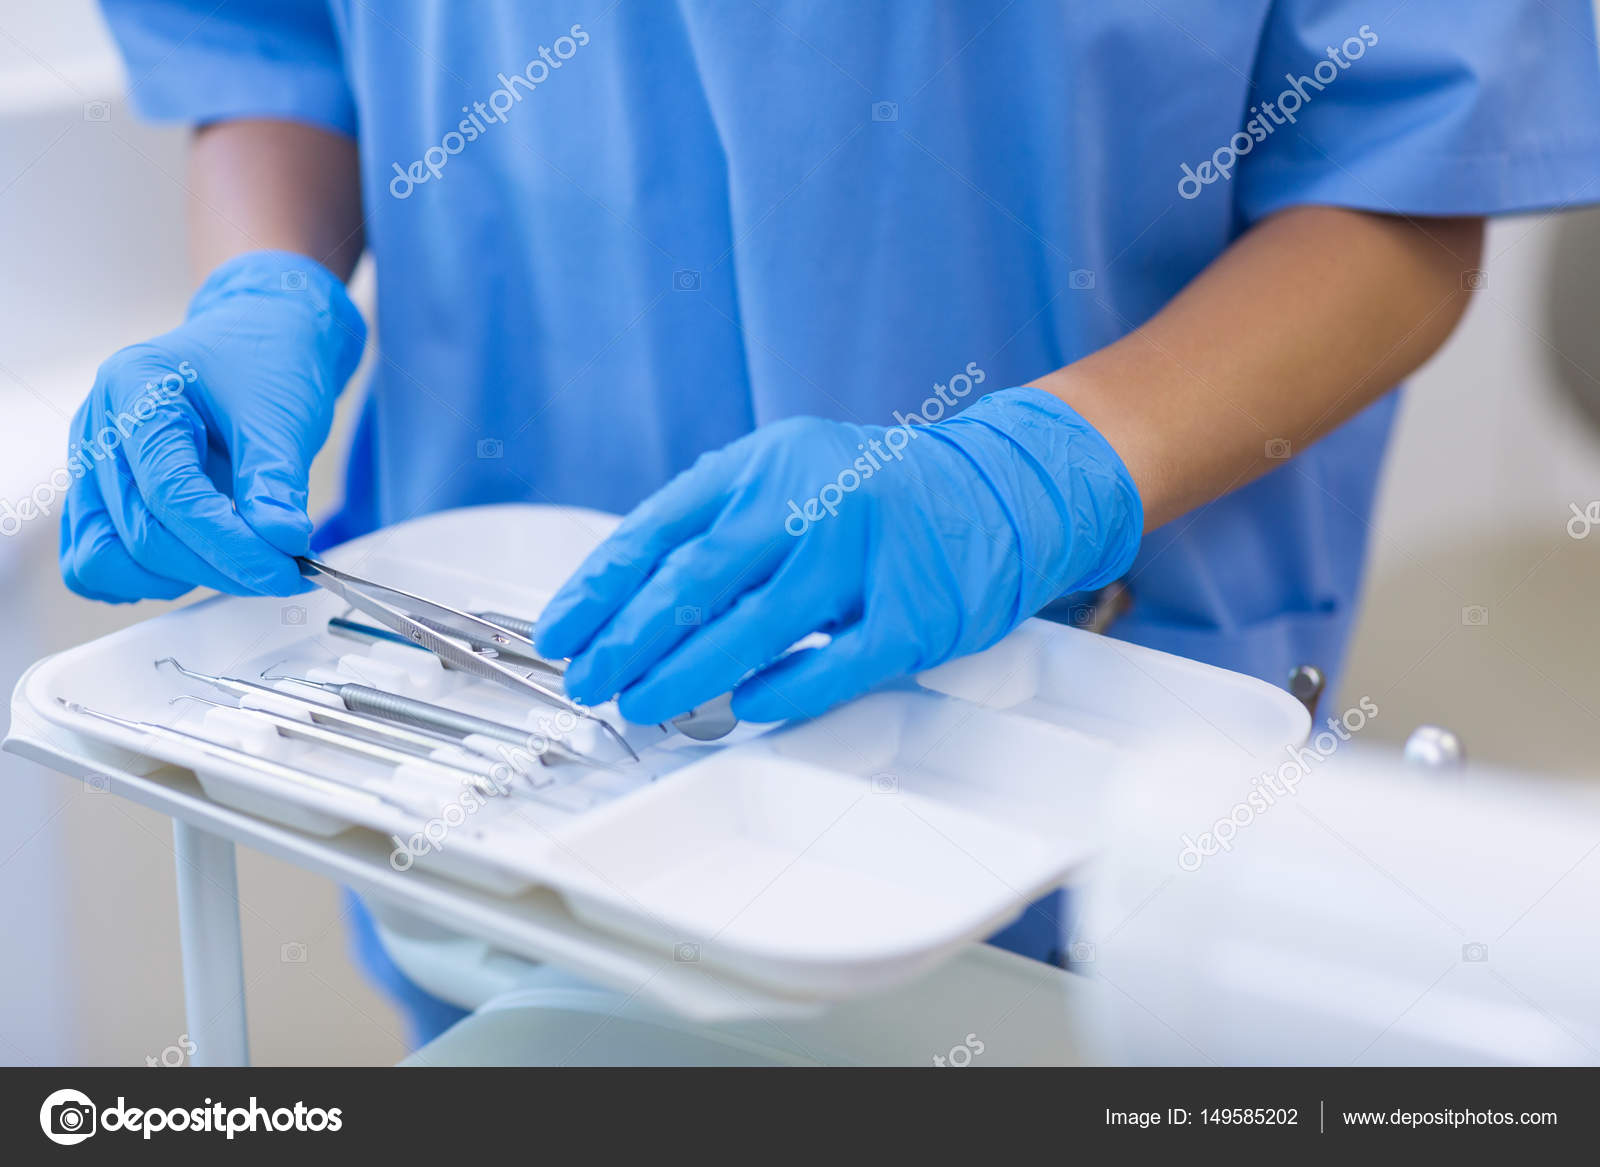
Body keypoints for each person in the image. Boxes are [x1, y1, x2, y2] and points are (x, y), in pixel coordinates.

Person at [75, 0, 1600, 1042]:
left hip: (1078, 691)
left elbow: (1401, 174)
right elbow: (274, 43)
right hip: (485, 737)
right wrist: (260, 286)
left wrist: (1037, 475)